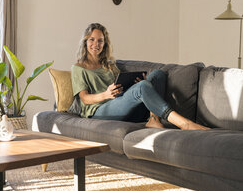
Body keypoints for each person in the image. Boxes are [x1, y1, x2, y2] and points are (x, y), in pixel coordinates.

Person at [71, 23, 209, 130]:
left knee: (158, 75)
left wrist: (138, 84)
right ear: (85, 41)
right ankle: (185, 123)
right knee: (143, 86)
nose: (96, 44)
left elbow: (120, 89)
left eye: (100, 41)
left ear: (105, 44)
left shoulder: (109, 65)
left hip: (119, 104)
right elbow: (84, 98)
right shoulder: (79, 68)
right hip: (99, 111)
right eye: (92, 40)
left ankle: (153, 119)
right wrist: (106, 95)